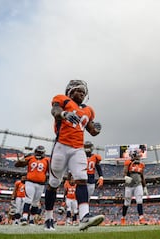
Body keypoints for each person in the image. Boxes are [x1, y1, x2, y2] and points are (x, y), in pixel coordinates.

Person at [44, 79, 104, 231]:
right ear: (70, 91)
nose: (82, 94)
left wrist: (97, 129)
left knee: (82, 179)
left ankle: (84, 216)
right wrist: (64, 114)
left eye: (84, 92)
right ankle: (48, 218)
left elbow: (92, 131)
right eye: (79, 91)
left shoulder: (88, 110)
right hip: (61, 146)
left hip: (78, 148)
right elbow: (55, 112)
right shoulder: (62, 100)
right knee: (54, 183)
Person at [15, 145, 50, 226]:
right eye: (38, 152)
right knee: (28, 200)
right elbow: (17, 165)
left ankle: (31, 220)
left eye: (40, 152)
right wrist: (21, 160)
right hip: (30, 182)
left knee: (35, 203)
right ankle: (24, 217)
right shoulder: (30, 158)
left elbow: (50, 171)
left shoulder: (47, 160)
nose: (39, 153)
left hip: (41, 184)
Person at [120, 149, 148, 225]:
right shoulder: (128, 163)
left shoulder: (141, 164)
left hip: (138, 185)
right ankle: (123, 218)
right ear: (133, 155)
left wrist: (144, 187)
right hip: (129, 186)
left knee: (139, 201)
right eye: (137, 155)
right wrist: (126, 177)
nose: (139, 156)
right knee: (127, 203)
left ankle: (141, 218)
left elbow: (142, 176)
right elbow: (124, 173)